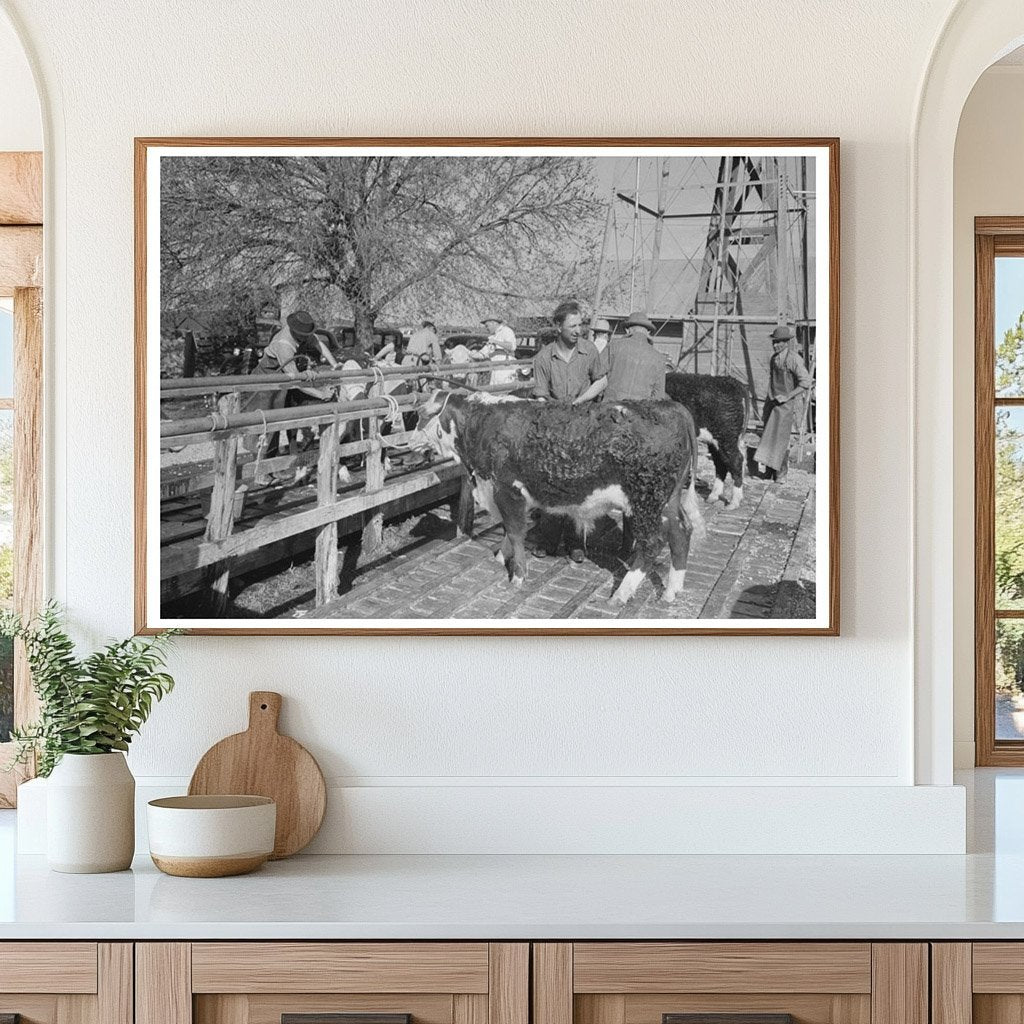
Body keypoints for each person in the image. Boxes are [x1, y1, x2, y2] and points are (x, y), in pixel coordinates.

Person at [754, 324, 812, 482]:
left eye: (779, 342)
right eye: (774, 342)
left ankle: (781, 475)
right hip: (772, 403)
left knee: (780, 440)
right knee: (768, 436)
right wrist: (770, 400)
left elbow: (806, 382)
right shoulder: (774, 359)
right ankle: (767, 472)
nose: (775, 345)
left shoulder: (794, 359)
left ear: (786, 342)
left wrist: (788, 396)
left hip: (785, 406)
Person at [531, 300, 608, 404]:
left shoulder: (589, 349)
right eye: (573, 326)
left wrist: (580, 401)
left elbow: (602, 381)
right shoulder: (543, 358)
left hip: (585, 412)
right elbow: (541, 396)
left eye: (579, 325)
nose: (578, 331)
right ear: (559, 327)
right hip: (556, 413)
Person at [601, 311, 668, 403]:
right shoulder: (659, 358)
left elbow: (597, 374)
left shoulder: (613, 346)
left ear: (627, 330)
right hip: (638, 413)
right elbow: (658, 396)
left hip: (610, 407)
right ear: (648, 332)